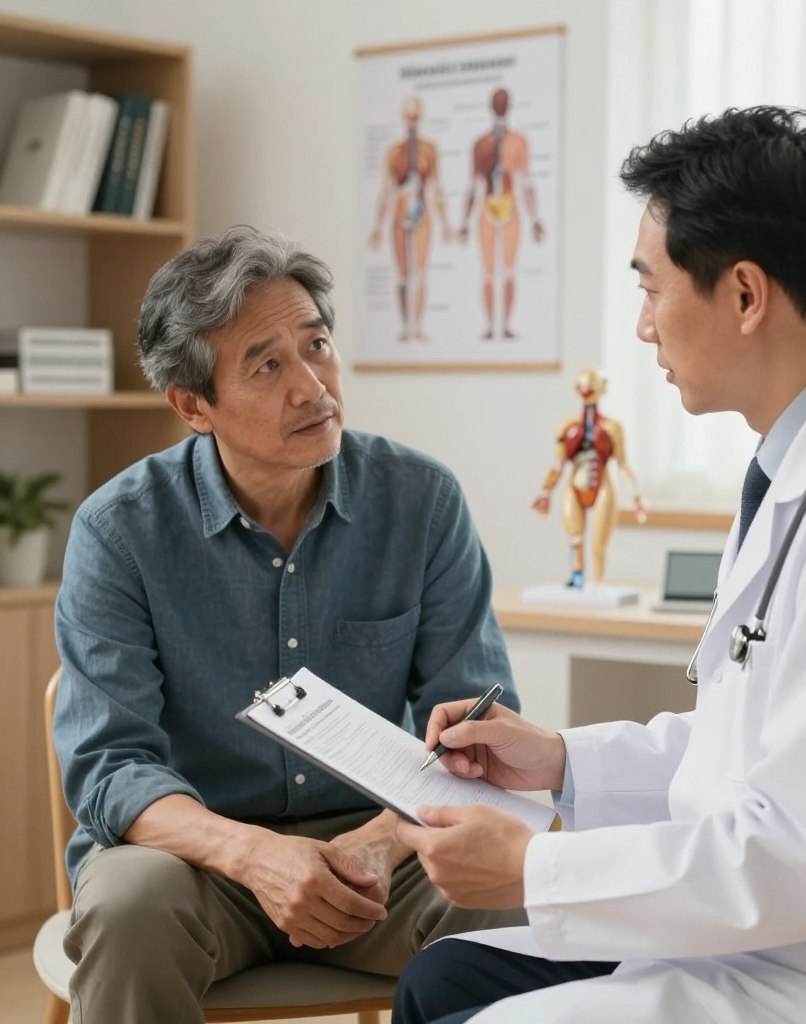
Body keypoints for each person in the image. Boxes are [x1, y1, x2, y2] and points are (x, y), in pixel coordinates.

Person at [390, 107, 806, 1023]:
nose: (644, 327)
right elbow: (754, 751)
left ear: (745, 295)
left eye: (650, 289)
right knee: (442, 978)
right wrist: (561, 761)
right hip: (790, 927)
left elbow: (803, 852)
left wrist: (536, 866)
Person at [52, 225, 524, 1024]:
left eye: (318, 345)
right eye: (267, 365)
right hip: (197, 856)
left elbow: (477, 727)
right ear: (191, 405)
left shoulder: (421, 501)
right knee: (128, 906)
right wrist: (255, 855)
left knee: (514, 895)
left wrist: (376, 844)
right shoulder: (119, 531)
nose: (313, 386)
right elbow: (110, 766)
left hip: (378, 849)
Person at [531, 366, 646, 587]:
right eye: (582, 386)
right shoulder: (565, 427)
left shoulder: (612, 428)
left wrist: (636, 497)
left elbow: (623, 465)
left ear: (603, 389)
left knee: (599, 544)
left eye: (592, 386)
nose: (586, 390)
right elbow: (558, 463)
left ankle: (598, 581)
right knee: (575, 539)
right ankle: (577, 577)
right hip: (574, 487)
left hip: (601, 485)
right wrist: (545, 492)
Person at [459, 87, 544, 339]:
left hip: (509, 204)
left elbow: (526, 181)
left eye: (503, 102)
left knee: (507, 270)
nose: (500, 106)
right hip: (487, 205)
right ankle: (489, 324)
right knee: (488, 271)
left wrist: (535, 218)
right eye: (498, 102)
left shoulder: (518, 142)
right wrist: (464, 220)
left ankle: (505, 324)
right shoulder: (481, 144)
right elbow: (473, 184)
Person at [368, 96, 451, 341]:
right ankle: (406, 326)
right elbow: (387, 189)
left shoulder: (429, 149)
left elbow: (436, 187)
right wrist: (377, 226)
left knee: (421, 272)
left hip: (422, 213)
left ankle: (418, 326)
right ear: (404, 118)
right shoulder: (395, 152)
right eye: (409, 116)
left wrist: (446, 222)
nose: (412, 121)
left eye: (416, 116)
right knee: (403, 274)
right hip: (400, 214)